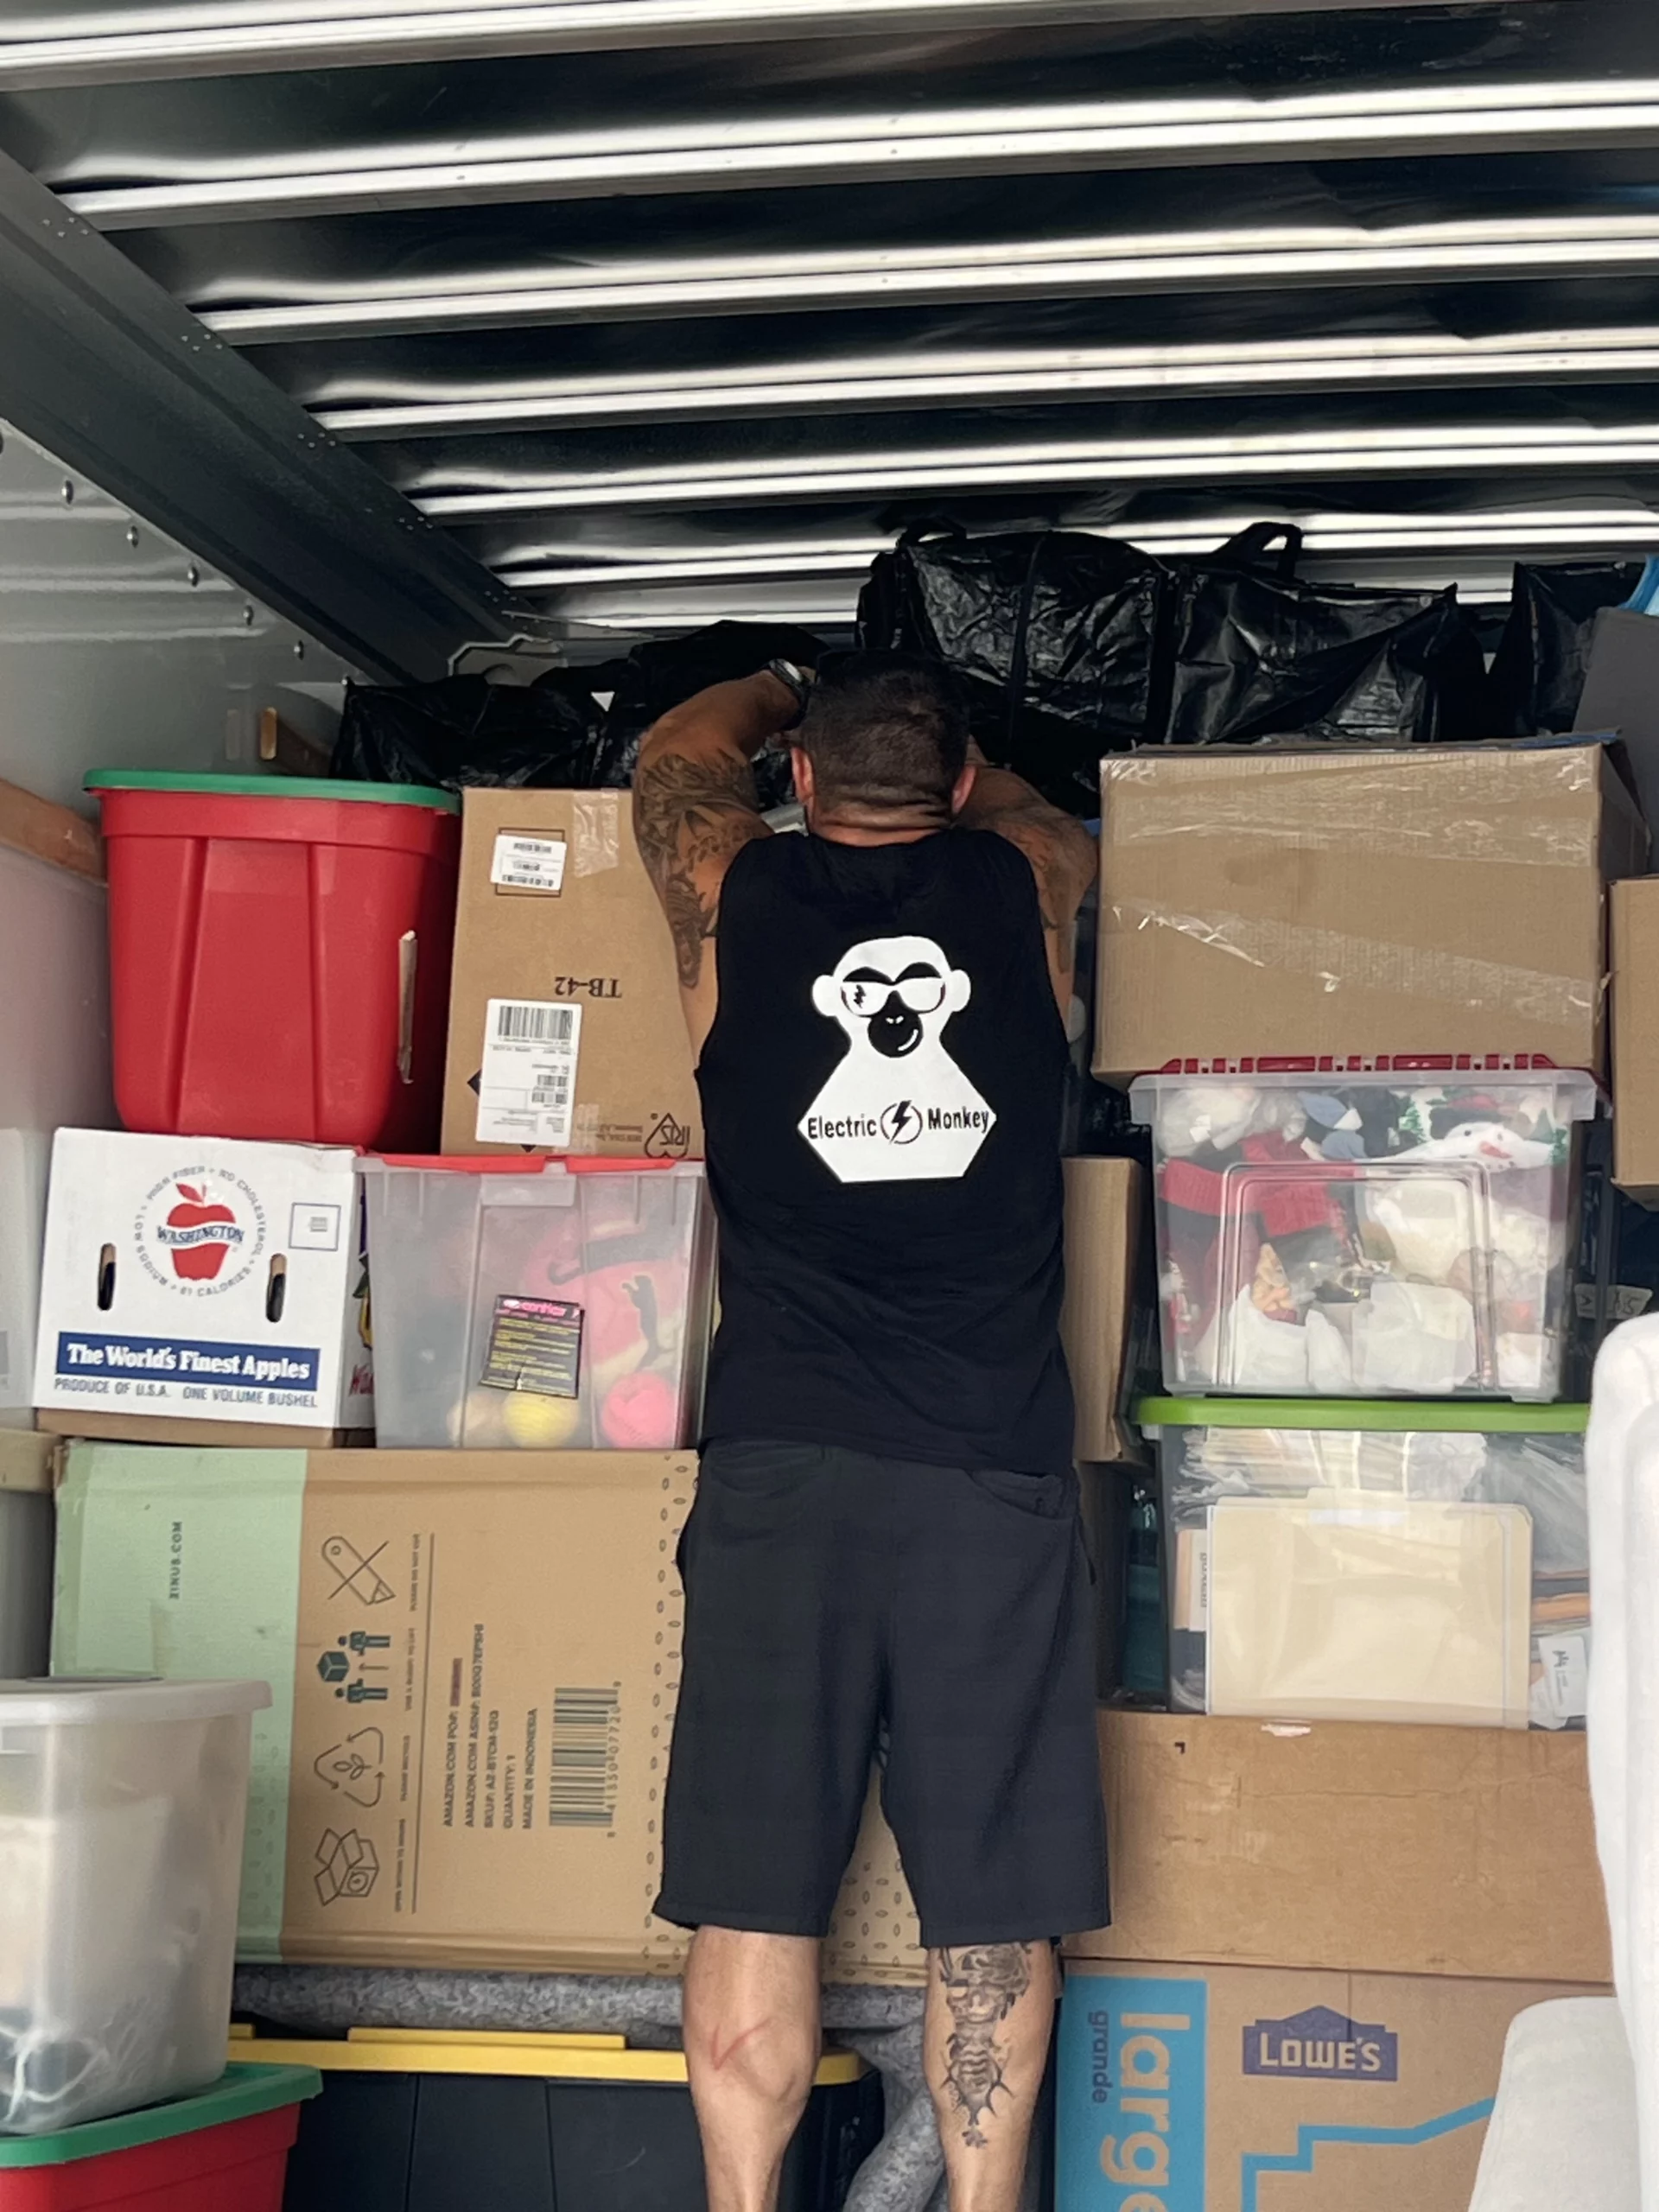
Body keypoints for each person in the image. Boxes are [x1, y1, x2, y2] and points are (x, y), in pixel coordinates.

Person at [632, 650, 1107, 2212]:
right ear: (962, 792)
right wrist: (975, 752)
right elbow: (1049, 814)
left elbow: (673, 760)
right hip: (991, 1469)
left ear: (809, 788)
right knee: (996, 1896)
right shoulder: (1027, 888)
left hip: (785, 1472)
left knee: (752, 1901)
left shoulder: (737, 898)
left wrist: (782, 683)